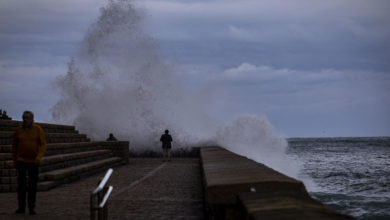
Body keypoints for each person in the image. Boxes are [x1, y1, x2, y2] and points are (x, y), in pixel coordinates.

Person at [12, 111, 46, 215]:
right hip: (21, 161)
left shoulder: (37, 129)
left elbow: (43, 144)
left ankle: (31, 208)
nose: (25, 120)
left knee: (32, 186)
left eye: (28, 118)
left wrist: (39, 157)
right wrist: (15, 160)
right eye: (24, 118)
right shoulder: (18, 130)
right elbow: (14, 147)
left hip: (33, 162)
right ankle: (21, 208)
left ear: (32, 119)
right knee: (21, 186)